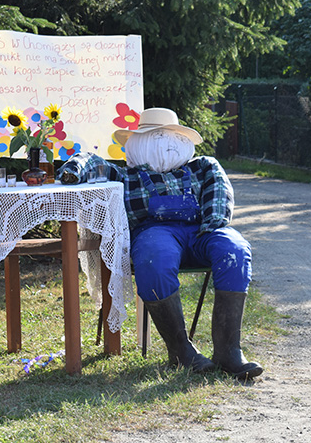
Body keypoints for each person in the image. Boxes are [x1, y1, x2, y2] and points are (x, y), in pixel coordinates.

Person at [59, 107, 262, 379]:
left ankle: (228, 352)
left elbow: (219, 192)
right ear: (137, 142)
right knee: (154, 258)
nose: (167, 144)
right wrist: (73, 171)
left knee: (234, 249)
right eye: (157, 137)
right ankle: (181, 351)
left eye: (172, 137)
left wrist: (213, 222)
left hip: (201, 231)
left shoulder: (202, 167)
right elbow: (91, 161)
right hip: (154, 232)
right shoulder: (125, 176)